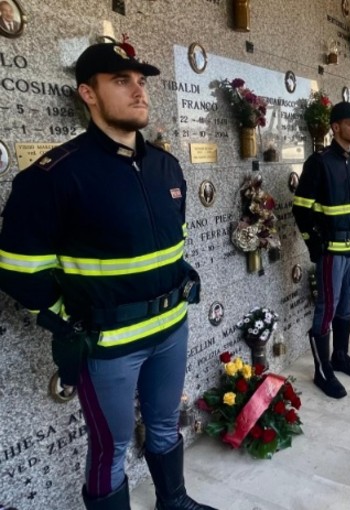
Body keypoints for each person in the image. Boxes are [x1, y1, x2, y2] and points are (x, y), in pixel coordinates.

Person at [0, 42, 215, 510]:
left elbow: (175, 242)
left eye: (141, 81)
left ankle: (173, 503)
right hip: (106, 345)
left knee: (163, 425)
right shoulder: (54, 176)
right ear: (88, 93)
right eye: (121, 81)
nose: (139, 91)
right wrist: (70, 319)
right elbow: (19, 272)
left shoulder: (165, 165)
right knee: (110, 449)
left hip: (171, 329)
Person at [292, 101, 350, 399]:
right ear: (335, 127)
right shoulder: (319, 161)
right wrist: (315, 245)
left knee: (347, 306)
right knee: (326, 310)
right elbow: (301, 209)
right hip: (331, 251)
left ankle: (340, 356)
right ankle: (322, 371)